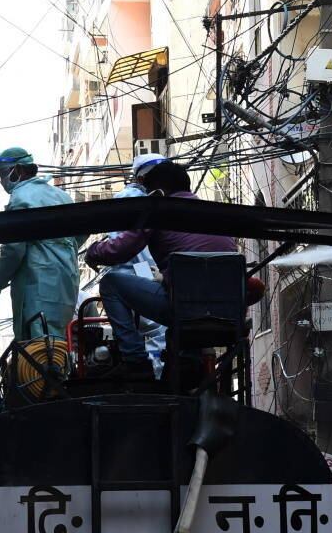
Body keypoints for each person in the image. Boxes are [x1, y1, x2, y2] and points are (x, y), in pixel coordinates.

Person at [85, 160, 237, 376]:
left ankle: (135, 360)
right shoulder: (213, 213)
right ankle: (186, 365)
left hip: (184, 308)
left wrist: (93, 251)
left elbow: (120, 249)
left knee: (110, 283)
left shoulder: (159, 210)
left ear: (157, 191)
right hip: (228, 313)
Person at [0, 147, 83, 340]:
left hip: (38, 288)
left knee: (40, 351)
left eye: (3, 174)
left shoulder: (20, 199)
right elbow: (80, 234)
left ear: (19, 170)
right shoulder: (62, 196)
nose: (2, 181)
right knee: (57, 345)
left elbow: (13, 249)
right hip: (67, 284)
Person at [98, 153, 170, 373]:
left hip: (142, 269)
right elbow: (131, 246)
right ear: (141, 178)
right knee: (156, 326)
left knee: (154, 328)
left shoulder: (155, 198)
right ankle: (152, 372)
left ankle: (150, 370)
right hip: (139, 268)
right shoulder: (134, 198)